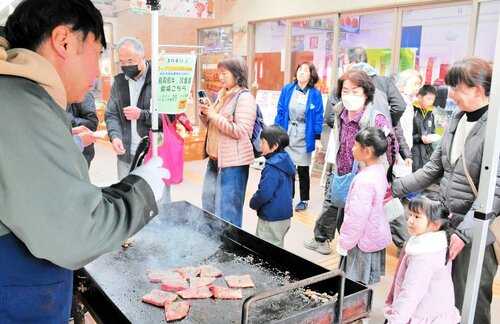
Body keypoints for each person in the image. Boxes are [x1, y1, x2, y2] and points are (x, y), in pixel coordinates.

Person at [0, 0, 169, 322]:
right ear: (63, 41)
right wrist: (143, 191)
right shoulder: (20, 103)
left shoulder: (20, 94)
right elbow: (77, 234)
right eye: (98, 54)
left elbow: (55, 199)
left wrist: (130, 186)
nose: (97, 72)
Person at [391, 57, 499, 324]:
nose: (451, 94)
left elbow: (495, 189)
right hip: (447, 224)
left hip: (475, 231)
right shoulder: (457, 119)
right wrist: (394, 188)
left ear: (477, 90)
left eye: (456, 88)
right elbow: (432, 169)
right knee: (442, 299)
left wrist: (466, 231)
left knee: (470, 299)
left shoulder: (495, 128)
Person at [304, 70, 396, 255]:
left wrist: (378, 177)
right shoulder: (341, 113)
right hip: (342, 173)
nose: (349, 96)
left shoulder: (376, 118)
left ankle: (358, 260)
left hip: (364, 179)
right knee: (339, 212)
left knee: (362, 221)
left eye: (355, 91)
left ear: (366, 94)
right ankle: (333, 245)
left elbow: (390, 149)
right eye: (345, 91)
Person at [384, 193, 461, 323]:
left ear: (435, 225)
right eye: (410, 215)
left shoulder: (423, 257)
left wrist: (395, 320)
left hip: (421, 316)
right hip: (437, 313)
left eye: (417, 217)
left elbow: (410, 294)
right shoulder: (439, 243)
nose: (410, 221)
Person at [199, 55, 256, 228]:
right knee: (208, 204)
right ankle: (212, 242)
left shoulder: (245, 98)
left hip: (233, 165)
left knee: (228, 212)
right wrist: (205, 114)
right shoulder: (223, 95)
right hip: (215, 160)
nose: (220, 77)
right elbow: (213, 125)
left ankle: (230, 247)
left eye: (224, 73)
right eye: (219, 73)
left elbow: (241, 131)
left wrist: (213, 115)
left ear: (237, 74)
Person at [336, 127, 394, 285]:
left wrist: (344, 242)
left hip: (361, 241)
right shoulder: (379, 171)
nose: (352, 148)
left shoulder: (364, 181)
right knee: (362, 285)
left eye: (356, 145)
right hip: (373, 235)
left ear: (367, 151)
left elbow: (356, 218)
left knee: (351, 284)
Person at [274, 61, 324, 211]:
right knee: (288, 167)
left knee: (303, 170)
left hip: (304, 134)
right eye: (300, 69)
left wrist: (317, 138)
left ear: (311, 75)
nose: (302, 72)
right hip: (288, 132)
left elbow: (318, 117)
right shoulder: (288, 89)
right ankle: (288, 196)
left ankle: (304, 199)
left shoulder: (315, 94)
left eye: (306, 70)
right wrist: (277, 131)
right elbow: (281, 111)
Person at [249, 125, 295, 248]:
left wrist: (253, 203)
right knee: (276, 248)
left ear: (274, 146)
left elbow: (265, 193)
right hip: (284, 216)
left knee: (263, 251)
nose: (260, 145)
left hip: (271, 217)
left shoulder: (272, 167)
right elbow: (293, 191)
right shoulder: (286, 160)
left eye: (263, 142)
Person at [67, 91, 99, 167]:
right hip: (64, 150)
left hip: (82, 154)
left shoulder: (84, 94)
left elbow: (92, 124)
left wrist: (66, 118)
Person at [412, 85, 438, 172]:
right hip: (413, 154)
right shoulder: (412, 111)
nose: (431, 102)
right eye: (428, 99)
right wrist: (420, 138)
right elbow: (405, 135)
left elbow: (433, 131)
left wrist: (433, 137)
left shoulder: (431, 114)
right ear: (419, 97)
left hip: (426, 155)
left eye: (433, 100)